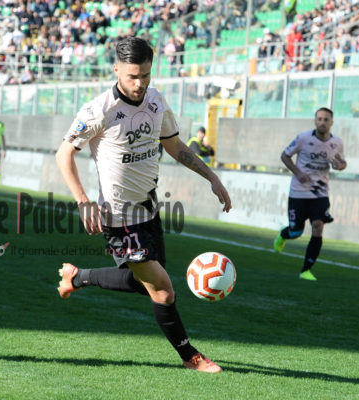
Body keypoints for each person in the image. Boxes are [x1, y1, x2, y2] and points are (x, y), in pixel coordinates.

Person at [55, 36, 232, 373]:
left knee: (142, 283)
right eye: (132, 77)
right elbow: (64, 154)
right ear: (116, 69)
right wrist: (83, 201)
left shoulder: (156, 101)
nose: (139, 84)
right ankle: (190, 356)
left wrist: (211, 176)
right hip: (119, 216)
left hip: (148, 210)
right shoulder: (98, 110)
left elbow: (175, 146)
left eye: (146, 76)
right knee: (163, 291)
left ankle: (77, 277)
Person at [273, 107, 346, 281]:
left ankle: (306, 270)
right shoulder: (303, 138)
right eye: (319, 119)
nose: (322, 122)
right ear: (315, 121)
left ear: (332, 122)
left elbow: (342, 163)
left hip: (320, 193)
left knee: (318, 226)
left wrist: (340, 166)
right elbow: (285, 156)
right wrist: (298, 173)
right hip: (298, 193)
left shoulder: (337, 143)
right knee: (296, 232)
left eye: (326, 119)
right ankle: (284, 235)